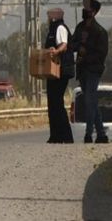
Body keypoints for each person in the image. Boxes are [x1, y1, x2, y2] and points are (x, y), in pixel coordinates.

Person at [69, 0, 109, 144]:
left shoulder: (100, 32)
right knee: (91, 101)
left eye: (87, 8)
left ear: (94, 12)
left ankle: (88, 134)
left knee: (89, 100)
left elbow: (101, 54)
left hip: (93, 70)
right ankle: (101, 134)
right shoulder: (80, 27)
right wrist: (79, 47)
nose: (84, 10)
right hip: (82, 70)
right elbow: (72, 44)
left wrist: (86, 55)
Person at [45, 8, 74, 144]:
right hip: (54, 72)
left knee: (57, 102)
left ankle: (65, 136)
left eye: (49, 16)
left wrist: (56, 51)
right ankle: (55, 135)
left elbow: (64, 45)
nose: (48, 19)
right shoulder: (52, 30)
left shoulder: (60, 28)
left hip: (61, 71)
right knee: (53, 103)